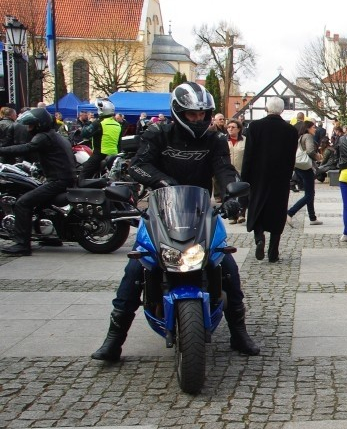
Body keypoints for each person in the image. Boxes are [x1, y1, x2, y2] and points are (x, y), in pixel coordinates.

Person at [91, 83, 260, 360]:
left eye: (203, 114)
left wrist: (233, 195)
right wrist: (164, 181)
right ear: (179, 111)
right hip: (160, 209)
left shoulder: (214, 139)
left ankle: (239, 333)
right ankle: (114, 339)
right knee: (137, 267)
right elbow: (138, 164)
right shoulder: (159, 133)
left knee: (225, 263)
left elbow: (224, 169)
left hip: (200, 209)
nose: (198, 119)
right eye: (192, 114)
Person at [0, 108, 76, 256]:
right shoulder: (55, 135)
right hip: (64, 178)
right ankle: (50, 237)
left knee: (23, 203)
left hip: (57, 181)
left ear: (39, 124)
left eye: (31, 125)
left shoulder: (43, 137)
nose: (28, 129)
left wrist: (1, 150)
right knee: (40, 203)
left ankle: (22, 245)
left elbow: (26, 148)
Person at [241, 96, 298, 263]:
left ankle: (259, 238)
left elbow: (248, 154)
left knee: (257, 206)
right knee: (278, 211)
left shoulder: (255, 127)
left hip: (258, 175)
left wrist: (244, 177)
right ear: (282, 110)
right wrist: (288, 176)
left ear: (266, 108)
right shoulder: (290, 130)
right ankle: (273, 252)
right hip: (280, 177)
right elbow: (291, 157)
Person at [287, 121, 322, 227]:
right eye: (313, 127)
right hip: (306, 167)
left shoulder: (300, 137)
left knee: (310, 192)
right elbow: (310, 151)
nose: (315, 129)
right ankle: (290, 212)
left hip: (299, 166)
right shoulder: (308, 136)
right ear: (308, 128)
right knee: (309, 194)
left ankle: (312, 217)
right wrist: (318, 157)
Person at [79, 98, 122, 180]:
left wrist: (89, 123)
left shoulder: (99, 123)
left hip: (100, 154)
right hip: (114, 154)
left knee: (83, 176)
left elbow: (84, 134)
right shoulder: (117, 124)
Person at [225, 119, 247, 225]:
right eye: (228, 127)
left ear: (238, 129)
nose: (230, 129)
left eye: (233, 127)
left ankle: (241, 214)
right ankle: (232, 216)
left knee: (242, 193)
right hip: (228, 171)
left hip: (241, 169)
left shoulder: (245, 140)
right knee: (230, 193)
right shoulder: (224, 141)